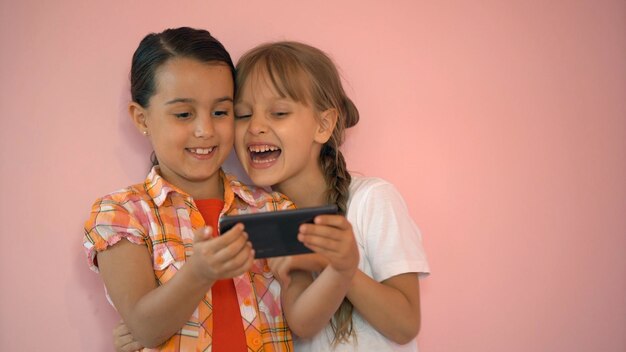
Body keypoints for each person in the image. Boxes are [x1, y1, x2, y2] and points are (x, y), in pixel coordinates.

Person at [83, 27, 293, 351]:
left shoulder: (273, 208)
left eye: (221, 112)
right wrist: (199, 272)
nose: (205, 130)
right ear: (141, 119)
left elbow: (307, 317)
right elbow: (145, 326)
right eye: (183, 114)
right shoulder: (123, 214)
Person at [232, 41, 430, 351]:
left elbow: (404, 325)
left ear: (323, 125)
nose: (255, 126)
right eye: (242, 115)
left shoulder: (371, 201)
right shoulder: (254, 223)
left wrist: (339, 265)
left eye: (279, 112)